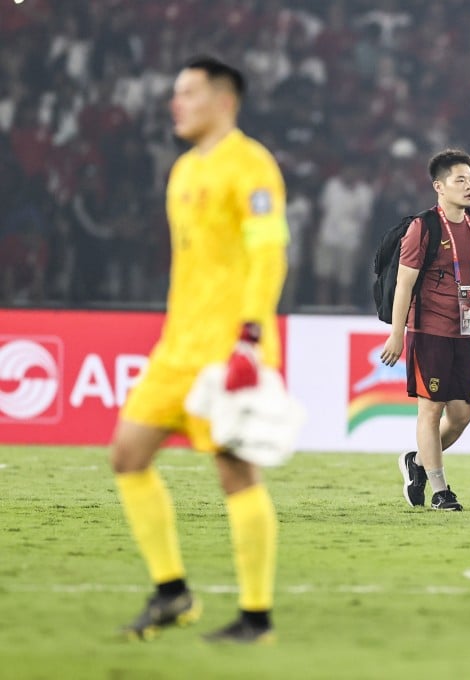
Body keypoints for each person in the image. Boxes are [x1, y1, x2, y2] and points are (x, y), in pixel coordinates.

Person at [110, 57, 288, 644]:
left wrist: (250, 337)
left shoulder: (251, 165)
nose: (175, 103)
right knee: (128, 455)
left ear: (223, 100)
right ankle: (171, 592)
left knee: (236, 473)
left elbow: (268, 253)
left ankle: (255, 616)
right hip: (176, 347)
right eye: (176, 92)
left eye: (187, 92)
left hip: (229, 346)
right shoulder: (183, 169)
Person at [381, 149, 470, 512]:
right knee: (431, 410)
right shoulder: (422, 227)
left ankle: (417, 463)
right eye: (461, 180)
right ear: (439, 186)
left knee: (462, 416)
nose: (469, 186)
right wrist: (398, 333)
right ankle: (441, 491)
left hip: (465, 332)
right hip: (428, 331)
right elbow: (403, 285)